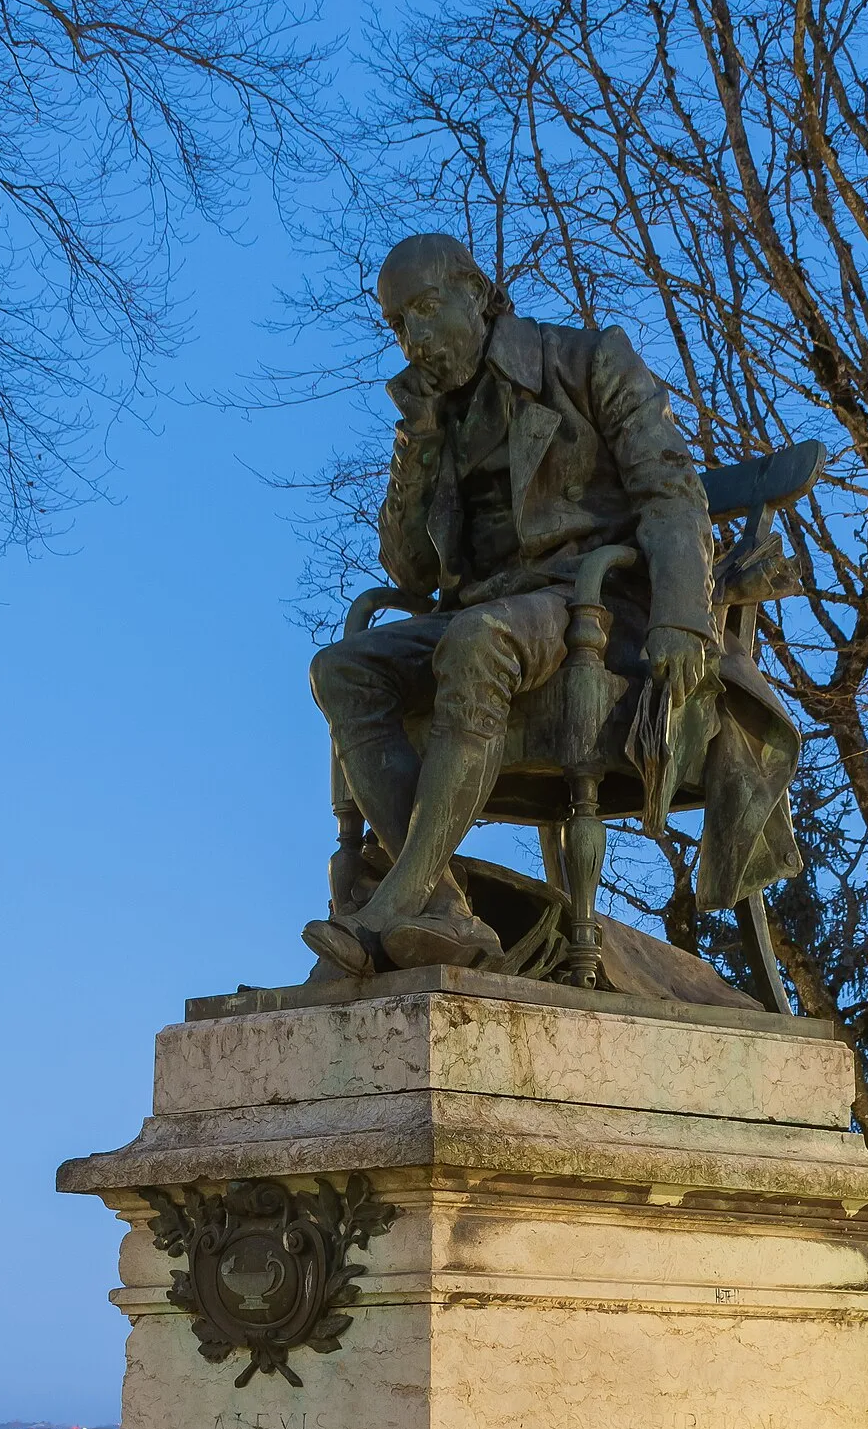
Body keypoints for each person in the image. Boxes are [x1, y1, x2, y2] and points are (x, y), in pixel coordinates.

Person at [305, 231, 799, 977]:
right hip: (488, 613)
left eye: (426, 311)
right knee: (342, 667)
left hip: (594, 610)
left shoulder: (588, 361)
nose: (412, 339)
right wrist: (419, 437)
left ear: (476, 292)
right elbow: (406, 567)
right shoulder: (437, 416)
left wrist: (680, 617)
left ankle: (395, 902)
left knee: (475, 641)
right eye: (397, 324)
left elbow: (672, 493)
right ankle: (437, 909)